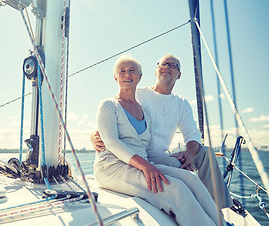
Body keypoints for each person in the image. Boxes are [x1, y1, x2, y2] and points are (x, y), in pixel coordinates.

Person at [94, 54, 226, 226]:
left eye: (132, 71)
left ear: (140, 77)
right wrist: (146, 166)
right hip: (113, 166)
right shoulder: (111, 104)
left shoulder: (147, 111)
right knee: (177, 189)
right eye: (122, 71)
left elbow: (186, 135)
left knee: (191, 179)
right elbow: (110, 138)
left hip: (144, 160)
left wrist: (184, 157)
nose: (127, 75)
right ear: (115, 77)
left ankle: (222, 222)